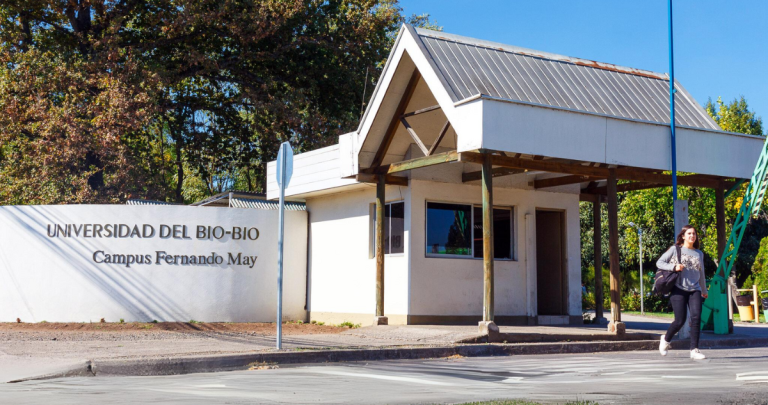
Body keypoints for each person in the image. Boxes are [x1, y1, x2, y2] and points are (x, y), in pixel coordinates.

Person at [656, 224, 708, 360]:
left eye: (694, 234)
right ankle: (666, 339)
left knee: (696, 318)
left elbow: (701, 273)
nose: (692, 236)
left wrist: (703, 289)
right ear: (683, 236)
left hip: (695, 289)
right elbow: (659, 262)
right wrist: (674, 266)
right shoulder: (675, 249)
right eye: (689, 233)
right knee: (680, 321)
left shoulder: (699, 253)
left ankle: (694, 350)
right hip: (678, 289)